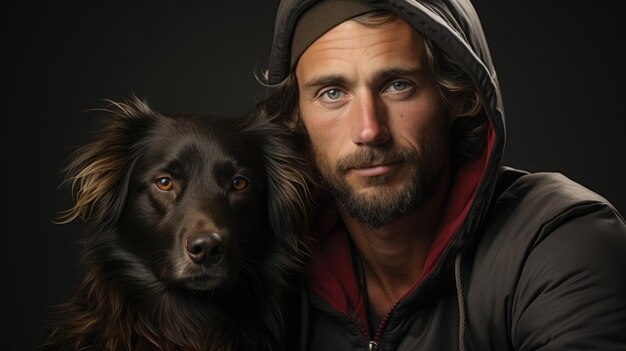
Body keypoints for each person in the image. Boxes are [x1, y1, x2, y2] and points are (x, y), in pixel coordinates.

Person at [259, 0, 626, 350]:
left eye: (398, 85)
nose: (369, 129)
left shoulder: (561, 241)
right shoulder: (267, 269)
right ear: (297, 117)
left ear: (458, 95)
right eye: (332, 93)